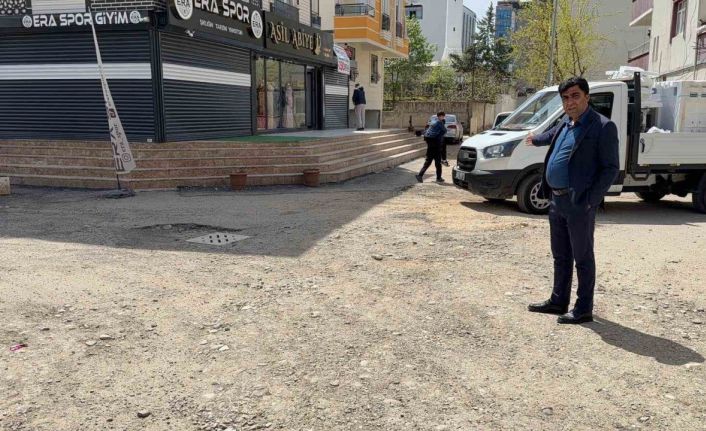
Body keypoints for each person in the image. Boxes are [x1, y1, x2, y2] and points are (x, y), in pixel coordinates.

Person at [526, 77, 619, 324]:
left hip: (579, 203)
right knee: (561, 255)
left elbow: (610, 168)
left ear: (587, 97)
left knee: (583, 257)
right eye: (565, 98)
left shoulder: (603, 126)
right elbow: (550, 136)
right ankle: (558, 301)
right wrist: (535, 138)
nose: (570, 102)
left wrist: (590, 200)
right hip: (556, 201)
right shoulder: (566, 122)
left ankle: (583, 309)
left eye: (575, 96)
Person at [416, 111, 447, 183]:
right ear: (440, 116)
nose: (443, 117)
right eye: (442, 116)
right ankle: (438, 178)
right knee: (437, 163)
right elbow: (444, 131)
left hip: (430, 146)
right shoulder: (439, 123)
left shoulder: (433, 122)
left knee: (429, 162)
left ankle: (420, 175)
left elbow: (426, 132)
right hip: (436, 146)